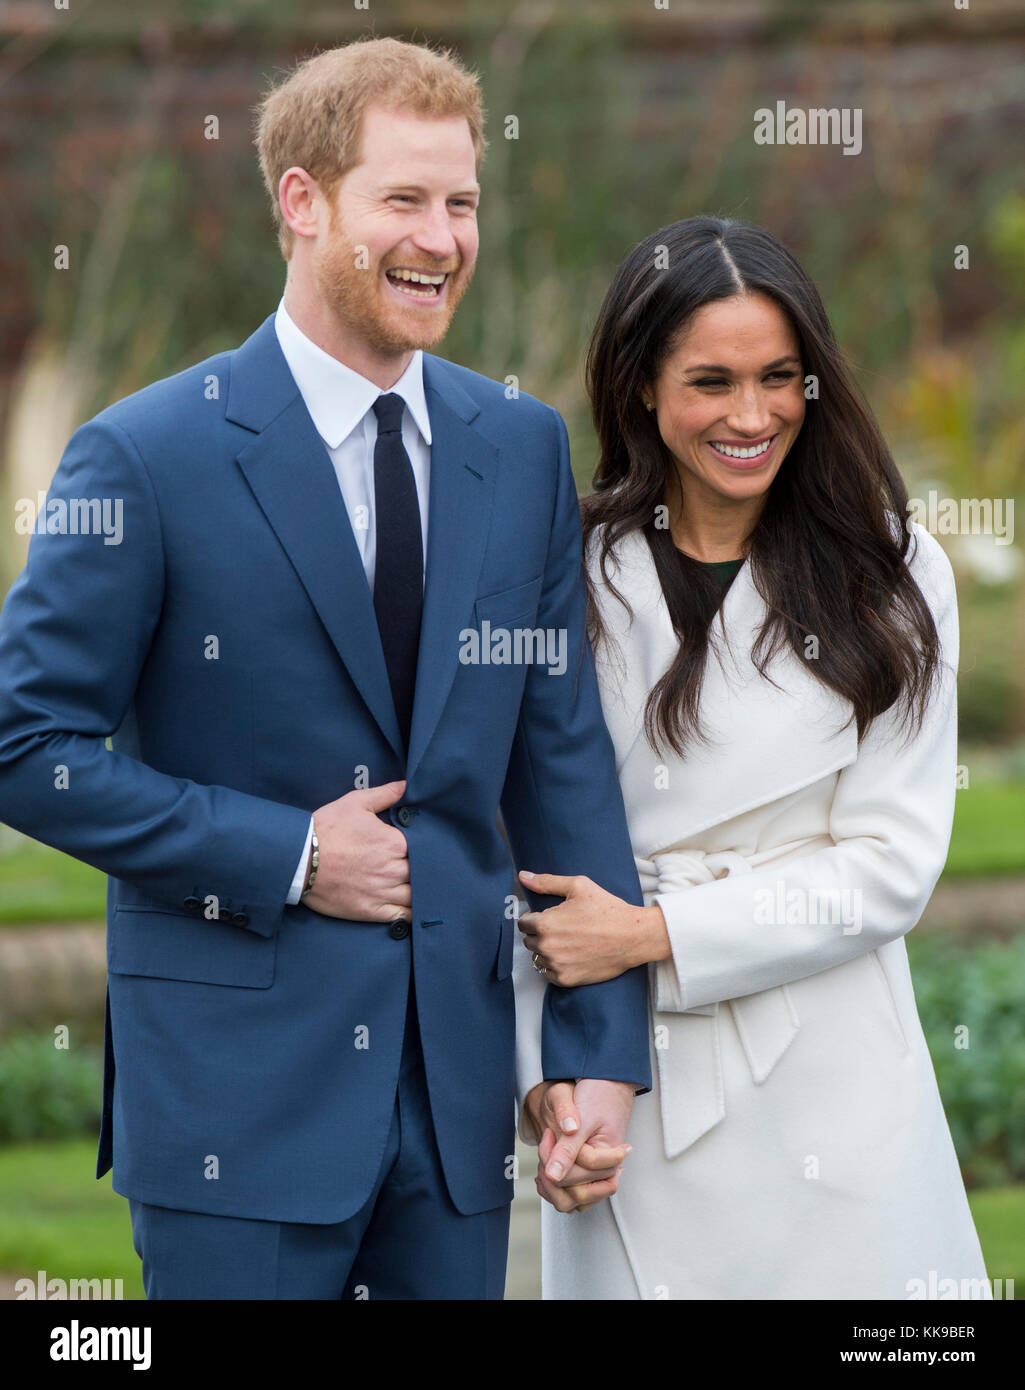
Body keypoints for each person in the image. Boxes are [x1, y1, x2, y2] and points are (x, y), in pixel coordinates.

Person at [0, 36, 651, 1300]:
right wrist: (291, 855)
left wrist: (595, 1053)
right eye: (403, 198)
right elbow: (27, 748)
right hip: (232, 1107)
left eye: (462, 201)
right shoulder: (144, 456)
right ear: (302, 202)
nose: (444, 236)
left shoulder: (516, 449)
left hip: (457, 1105)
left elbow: (560, 766)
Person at [513, 216, 990, 1300]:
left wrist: (654, 932)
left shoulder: (892, 572)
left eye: (780, 377)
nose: (750, 413)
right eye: (709, 380)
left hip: (832, 1078)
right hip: (628, 1088)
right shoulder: (565, 574)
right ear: (638, 386)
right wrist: (545, 1084)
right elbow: (520, 854)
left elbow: (888, 866)